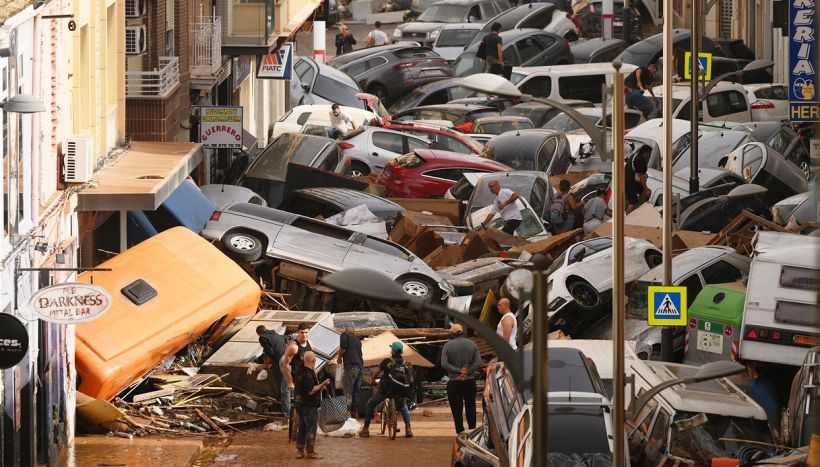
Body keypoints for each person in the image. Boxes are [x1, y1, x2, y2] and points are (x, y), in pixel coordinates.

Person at [359, 342, 414, 438]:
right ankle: (408, 429)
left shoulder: (387, 361)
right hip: (400, 391)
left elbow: (376, 373)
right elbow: (411, 379)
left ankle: (365, 429)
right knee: (404, 407)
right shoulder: (406, 363)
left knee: (370, 404)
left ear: (392, 350)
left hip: (386, 390)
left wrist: (373, 381)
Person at [440, 324, 481, 434]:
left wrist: (459, 371)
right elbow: (477, 362)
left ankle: (460, 433)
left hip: (454, 382)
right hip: (469, 381)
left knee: (457, 410)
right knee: (470, 407)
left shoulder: (447, 346)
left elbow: (444, 364)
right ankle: (472, 431)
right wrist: (467, 371)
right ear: (462, 332)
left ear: (452, 334)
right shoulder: (472, 344)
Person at [293, 351, 331, 459]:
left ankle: (300, 451)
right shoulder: (308, 374)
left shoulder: (300, 371)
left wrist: (319, 387)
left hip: (300, 404)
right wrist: (323, 384)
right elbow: (310, 390)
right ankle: (310, 452)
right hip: (308, 405)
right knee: (311, 428)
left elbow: (308, 388)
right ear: (313, 361)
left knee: (302, 427)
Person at [252, 325, 289, 415]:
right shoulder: (275, 333)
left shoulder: (262, 337)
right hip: (289, 357)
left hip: (282, 361)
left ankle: (287, 412)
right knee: (288, 386)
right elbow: (284, 341)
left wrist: (264, 365)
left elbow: (270, 352)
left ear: (258, 333)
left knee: (285, 389)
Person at [282, 323, 313, 420]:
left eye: (306, 332)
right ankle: (296, 429)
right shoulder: (293, 347)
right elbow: (285, 364)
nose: (304, 335)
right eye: (302, 333)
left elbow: (312, 361)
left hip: (308, 379)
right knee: (299, 406)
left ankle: (305, 425)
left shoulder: (310, 343)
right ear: (298, 333)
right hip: (298, 379)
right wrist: (290, 382)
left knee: (309, 404)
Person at [337, 326, 363, 418]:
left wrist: (339, 358)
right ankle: (354, 413)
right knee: (356, 391)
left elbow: (343, 348)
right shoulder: (358, 340)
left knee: (348, 390)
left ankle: (346, 413)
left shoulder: (345, 334)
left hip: (351, 366)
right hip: (360, 367)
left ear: (346, 331)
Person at [625, 145, 652, 213]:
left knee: (646, 193)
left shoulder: (635, 155)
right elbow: (641, 176)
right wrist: (646, 188)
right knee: (633, 201)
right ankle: (628, 218)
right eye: (649, 153)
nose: (650, 156)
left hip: (630, 179)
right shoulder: (639, 160)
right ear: (646, 152)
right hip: (630, 181)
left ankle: (637, 208)